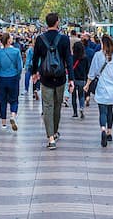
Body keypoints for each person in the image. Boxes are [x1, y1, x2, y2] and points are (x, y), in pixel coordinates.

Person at [31, 13, 73, 150]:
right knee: (57, 106)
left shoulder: (40, 39)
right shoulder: (64, 39)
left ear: (46, 23)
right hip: (60, 77)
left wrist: (34, 73)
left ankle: (50, 138)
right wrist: (71, 78)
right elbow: (68, 59)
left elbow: (35, 58)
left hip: (45, 77)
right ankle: (54, 132)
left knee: (47, 107)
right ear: (57, 22)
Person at [86, 34, 113, 147]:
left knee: (102, 111)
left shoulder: (98, 55)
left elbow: (92, 72)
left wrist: (87, 85)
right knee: (110, 110)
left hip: (101, 88)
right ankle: (109, 132)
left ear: (102, 44)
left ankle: (103, 129)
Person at [0, 33, 22, 131]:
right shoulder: (16, 51)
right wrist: (18, 76)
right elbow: (19, 66)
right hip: (13, 77)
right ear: (9, 41)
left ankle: (3, 123)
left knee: (2, 100)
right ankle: (13, 116)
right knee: (14, 99)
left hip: (1, 77)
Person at [71, 41, 89, 119]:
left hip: (73, 79)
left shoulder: (72, 57)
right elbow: (87, 69)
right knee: (81, 95)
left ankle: (75, 112)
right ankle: (81, 107)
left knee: (73, 96)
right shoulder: (85, 58)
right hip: (82, 79)